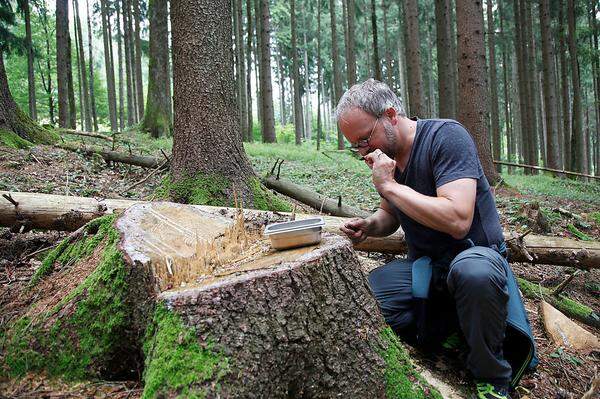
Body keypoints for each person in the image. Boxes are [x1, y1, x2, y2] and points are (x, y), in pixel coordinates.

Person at [336, 79, 536, 399]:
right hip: (427, 267)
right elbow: (391, 215)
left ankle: (493, 377)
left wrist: (389, 186)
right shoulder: (386, 156)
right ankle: (452, 331)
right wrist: (370, 225)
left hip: (475, 256)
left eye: (363, 139)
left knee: (474, 274)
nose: (362, 151)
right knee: (365, 299)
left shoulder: (446, 136)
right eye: (355, 145)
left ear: (390, 115)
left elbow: (458, 220)